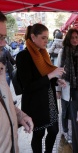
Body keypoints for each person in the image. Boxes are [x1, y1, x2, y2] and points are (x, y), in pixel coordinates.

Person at [16, 23, 66, 153]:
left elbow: (46, 76)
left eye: (47, 38)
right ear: (33, 37)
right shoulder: (23, 56)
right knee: (38, 135)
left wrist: (56, 80)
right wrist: (51, 75)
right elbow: (28, 86)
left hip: (49, 101)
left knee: (54, 131)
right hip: (35, 104)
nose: (46, 41)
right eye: (43, 38)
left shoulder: (43, 54)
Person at [0, 11, 34, 153]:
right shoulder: (22, 55)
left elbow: (6, 105)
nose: (3, 43)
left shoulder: (0, 72)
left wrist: (19, 116)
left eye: (3, 37)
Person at [56, 28, 78, 143]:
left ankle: (76, 130)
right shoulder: (62, 52)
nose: (75, 40)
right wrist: (58, 89)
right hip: (66, 85)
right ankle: (65, 130)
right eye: (72, 37)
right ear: (68, 39)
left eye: (76, 37)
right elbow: (59, 70)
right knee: (65, 110)